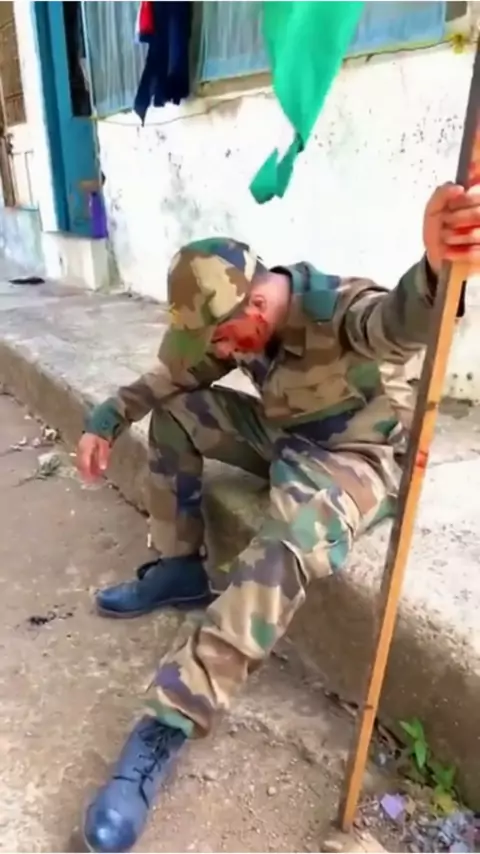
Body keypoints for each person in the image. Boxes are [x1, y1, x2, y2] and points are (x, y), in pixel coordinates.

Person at [77, 182, 480, 853]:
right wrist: (107, 417)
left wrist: (437, 272)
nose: (220, 351)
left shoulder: (340, 309)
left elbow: (399, 321)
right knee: (177, 415)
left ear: (258, 307)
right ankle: (180, 567)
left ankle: (169, 720)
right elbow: (175, 377)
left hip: (355, 457)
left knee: (285, 546)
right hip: (284, 434)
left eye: (221, 339)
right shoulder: (240, 322)